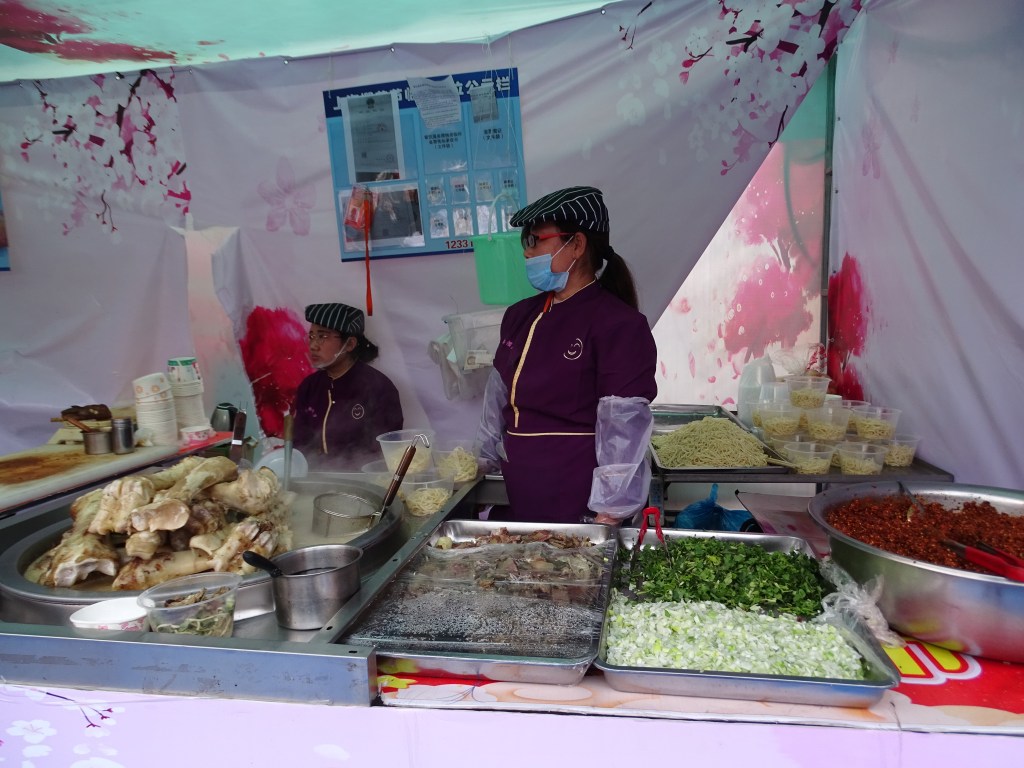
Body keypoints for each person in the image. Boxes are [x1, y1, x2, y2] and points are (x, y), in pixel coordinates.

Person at [476, 186, 658, 525]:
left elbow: (624, 428)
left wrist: (609, 513)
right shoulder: (519, 316)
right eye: (526, 242)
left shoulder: (619, 324)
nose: (528, 253)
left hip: (581, 500)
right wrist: (480, 462)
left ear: (576, 244)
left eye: (536, 241)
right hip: (523, 489)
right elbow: (496, 399)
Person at [293, 302, 403, 470]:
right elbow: (299, 443)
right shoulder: (309, 387)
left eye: (322, 336)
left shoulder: (379, 388)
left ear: (350, 344)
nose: (313, 345)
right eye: (311, 336)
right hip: (314, 481)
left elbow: (386, 451)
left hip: (361, 484)